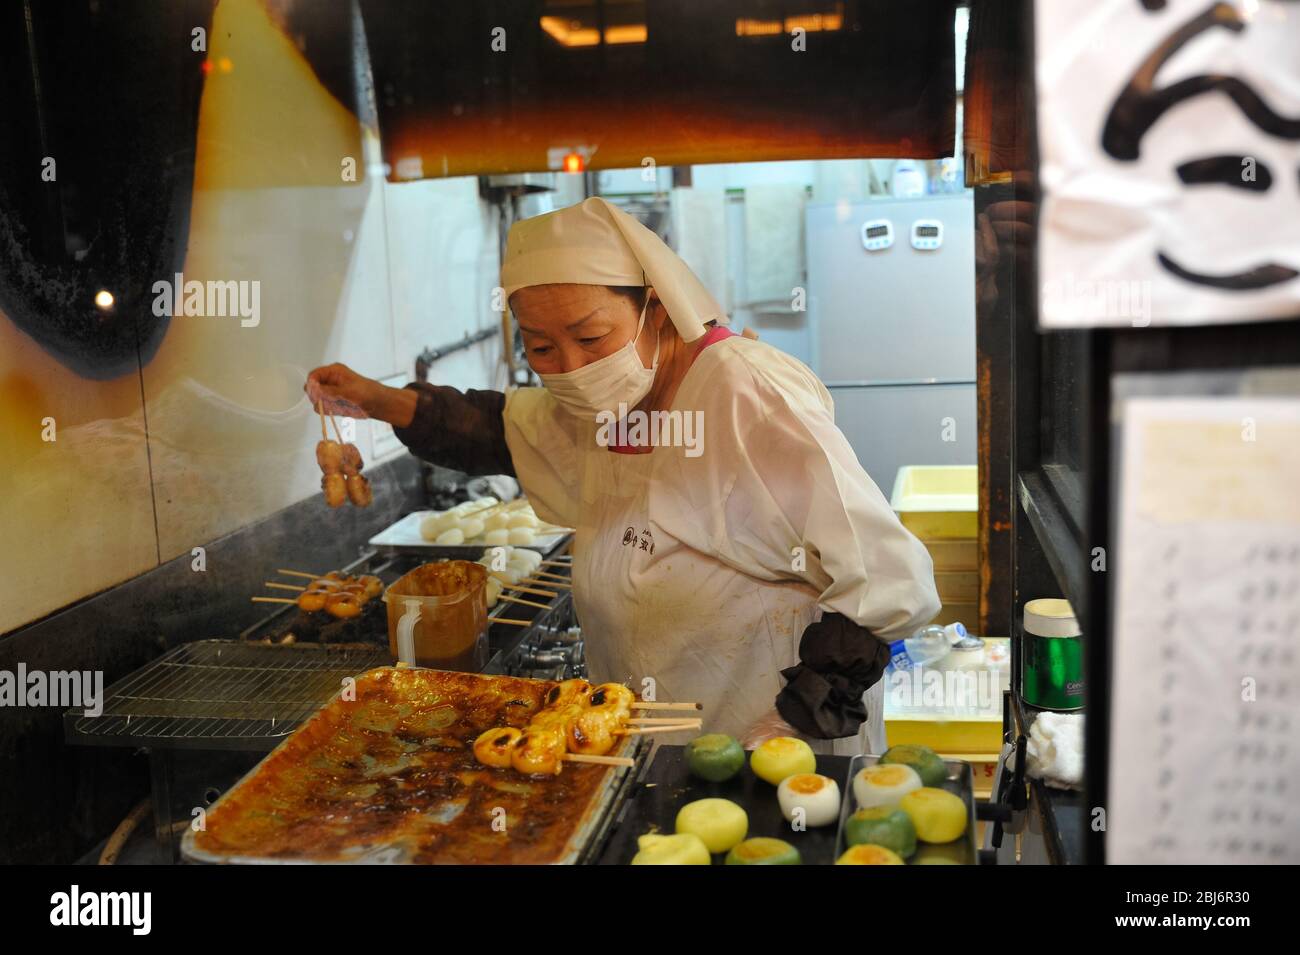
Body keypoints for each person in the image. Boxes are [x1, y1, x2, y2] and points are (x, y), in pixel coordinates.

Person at [308, 197, 939, 753]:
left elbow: (885, 578)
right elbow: (499, 428)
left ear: (656, 311)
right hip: (642, 742)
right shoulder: (596, 408)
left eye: (591, 337)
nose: (572, 368)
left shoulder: (744, 391)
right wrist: (375, 398)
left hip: (764, 741)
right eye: (542, 347)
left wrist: (802, 710)